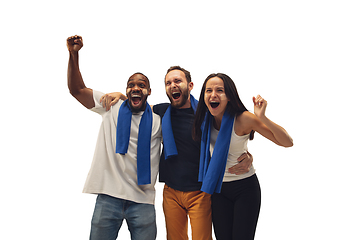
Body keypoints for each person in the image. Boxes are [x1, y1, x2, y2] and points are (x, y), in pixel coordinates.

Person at [101, 67, 254, 240]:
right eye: (168, 83)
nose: (173, 85)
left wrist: (247, 155)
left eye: (177, 81)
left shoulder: (206, 114)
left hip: (200, 192)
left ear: (190, 86)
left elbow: (227, 136)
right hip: (171, 192)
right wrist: (122, 96)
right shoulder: (162, 111)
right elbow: (140, 105)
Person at [67, 35, 162, 240]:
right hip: (108, 197)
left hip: (143, 200)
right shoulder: (111, 106)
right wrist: (73, 54)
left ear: (149, 91)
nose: (136, 88)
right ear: (127, 90)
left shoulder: (159, 119)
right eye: (131, 85)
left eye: (142, 85)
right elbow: (77, 90)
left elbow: (189, 138)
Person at [192, 73, 293, 240]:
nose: (213, 95)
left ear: (230, 96)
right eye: (208, 90)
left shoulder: (243, 119)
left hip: (244, 188)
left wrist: (262, 117)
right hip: (218, 189)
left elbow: (287, 142)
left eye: (220, 90)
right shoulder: (204, 118)